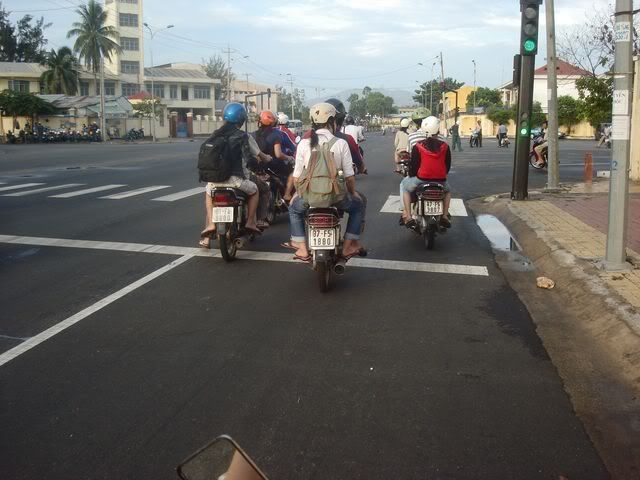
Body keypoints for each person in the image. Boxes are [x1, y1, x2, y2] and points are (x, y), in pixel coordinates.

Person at [287, 102, 365, 262]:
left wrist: (297, 194)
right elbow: (349, 177)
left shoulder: (303, 143)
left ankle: (302, 248)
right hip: (336, 198)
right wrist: (352, 193)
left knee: (294, 210)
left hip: (309, 198)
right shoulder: (341, 143)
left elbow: (296, 177)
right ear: (332, 121)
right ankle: (349, 245)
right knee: (358, 206)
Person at [199, 103, 262, 248]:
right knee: (255, 191)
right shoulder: (241, 136)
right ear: (241, 120)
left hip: (215, 181)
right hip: (235, 181)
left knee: (209, 195)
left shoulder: (215, 134)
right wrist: (257, 166)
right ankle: (251, 221)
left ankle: (211, 225)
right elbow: (249, 159)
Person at [400, 116, 452, 229]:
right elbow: (447, 165)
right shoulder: (445, 146)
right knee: (447, 191)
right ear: (438, 130)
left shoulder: (418, 146)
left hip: (421, 179)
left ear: (423, 129)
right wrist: (442, 175)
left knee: (404, 187)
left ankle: (408, 216)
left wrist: (413, 175)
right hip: (441, 180)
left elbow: (414, 166)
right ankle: (444, 216)